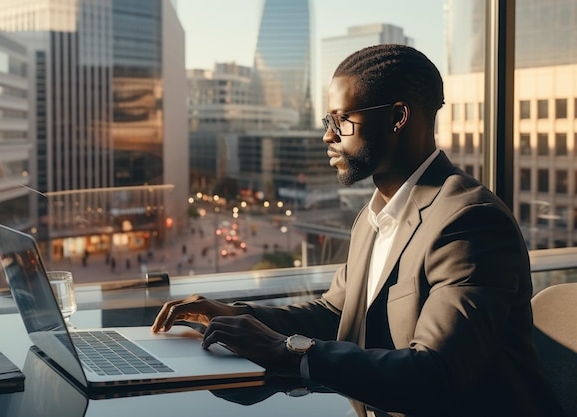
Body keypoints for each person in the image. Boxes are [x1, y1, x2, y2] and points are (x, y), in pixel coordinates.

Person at [152, 45, 564, 417]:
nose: (328, 136)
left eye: (342, 120)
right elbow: (335, 314)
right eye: (326, 120)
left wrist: (284, 351)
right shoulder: (374, 216)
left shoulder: (469, 220)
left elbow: (437, 375)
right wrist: (237, 316)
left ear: (398, 117)